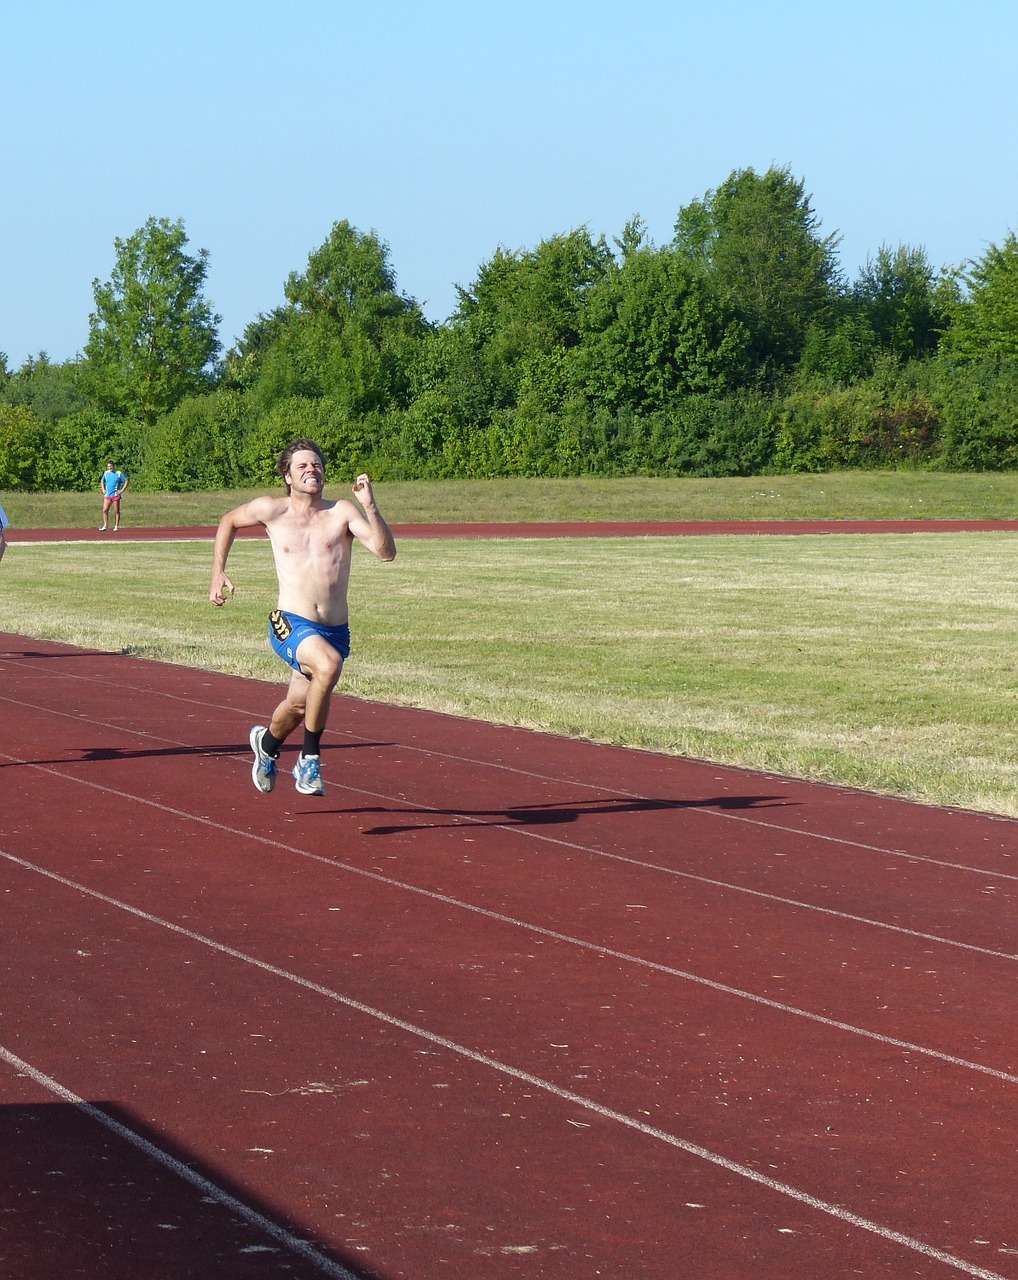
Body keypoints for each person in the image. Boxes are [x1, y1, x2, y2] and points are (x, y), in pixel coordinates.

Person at [209, 438, 396, 797]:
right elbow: (228, 521)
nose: (312, 470)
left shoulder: (341, 512)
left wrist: (370, 507)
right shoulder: (272, 510)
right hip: (290, 621)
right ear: (288, 477)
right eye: (303, 466)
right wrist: (218, 572)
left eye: (317, 465)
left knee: (297, 706)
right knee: (327, 666)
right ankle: (309, 759)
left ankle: (266, 744)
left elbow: (386, 553)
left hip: (334, 629)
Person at [99, 461, 129, 531]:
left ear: (114, 466)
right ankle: (105, 525)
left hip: (115, 495)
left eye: (111, 466)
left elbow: (126, 480)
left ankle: (116, 526)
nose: (110, 468)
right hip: (108, 495)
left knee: (116, 511)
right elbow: (102, 481)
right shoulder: (106, 473)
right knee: (105, 510)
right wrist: (103, 489)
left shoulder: (118, 473)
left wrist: (121, 490)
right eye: (108, 466)